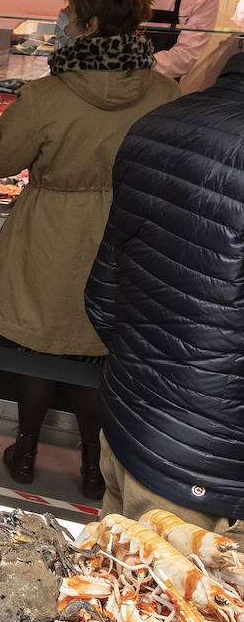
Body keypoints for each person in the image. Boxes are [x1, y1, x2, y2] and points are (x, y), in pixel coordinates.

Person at [0, 0, 177, 499]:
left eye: (68, 10)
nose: (62, 19)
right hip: (127, 238)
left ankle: (24, 453)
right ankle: (94, 466)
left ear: (86, 22)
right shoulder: (166, 92)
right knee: (98, 356)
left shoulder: (47, 94)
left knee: (40, 351)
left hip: (50, 233)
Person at [84, 52, 244, 527]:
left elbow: (102, 301)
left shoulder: (158, 122)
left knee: (114, 590)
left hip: (131, 426)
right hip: (213, 474)